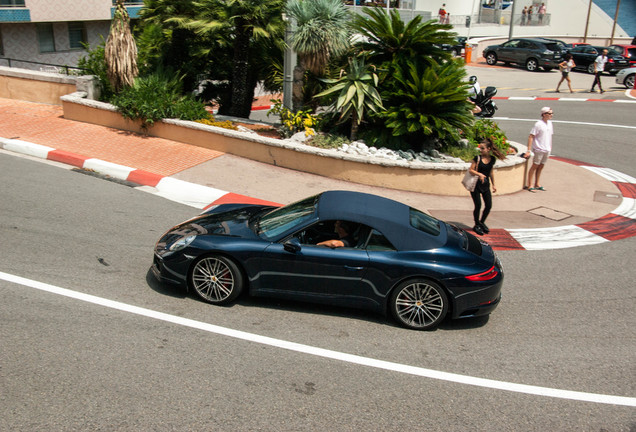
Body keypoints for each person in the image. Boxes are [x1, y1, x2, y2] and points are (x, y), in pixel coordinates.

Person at [469, 138, 506, 236]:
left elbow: (491, 172)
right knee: (478, 206)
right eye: (480, 148)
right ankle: (476, 224)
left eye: (483, 148)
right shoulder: (477, 158)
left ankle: (482, 222)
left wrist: (494, 184)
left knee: (488, 206)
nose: (481, 150)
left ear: (488, 149)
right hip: (476, 185)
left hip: (486, 185)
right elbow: (471, 170)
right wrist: (479, 174)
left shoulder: (492, 159)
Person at [525, 107, 554, 192]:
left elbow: (549, 136)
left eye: (552, 113)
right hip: (539, 149)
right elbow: (531, 136)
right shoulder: (538, 124)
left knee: (541, 166)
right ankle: (530, 184)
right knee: (535, 166)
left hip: (547, 149)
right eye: (549, 113)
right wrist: (529, 150)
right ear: (544, 114)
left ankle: (537, 183)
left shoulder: (550, 123)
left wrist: (550, 147)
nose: (551, 115)